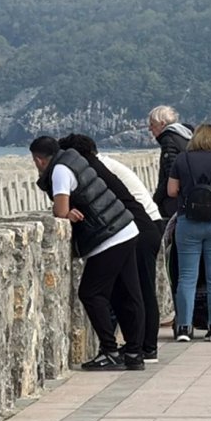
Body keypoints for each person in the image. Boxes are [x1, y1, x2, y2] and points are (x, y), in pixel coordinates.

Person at [30, 136, 145, 371]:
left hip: (109, 235)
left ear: (39, 160)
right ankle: (134, 352)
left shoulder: (60, 171)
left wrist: (65, 211)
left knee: (91, 293)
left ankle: (110, 350)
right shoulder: (73, 159)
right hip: (124, 226)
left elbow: (60, 210)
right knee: (126, 293)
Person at [58, 134, 163, 363]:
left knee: (139, 291)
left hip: (140, 227)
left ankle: (145, 348)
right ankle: (136, 348)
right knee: (125, 291)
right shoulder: (97, 166)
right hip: (139, 224)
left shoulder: (95, 170)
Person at [166, 124, 211, 343]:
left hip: (188, 222)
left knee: (187, 277)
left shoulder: (182, 159)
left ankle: (183, 328)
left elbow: (171, 191)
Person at [148, 105, 194, 220]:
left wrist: (156, 199)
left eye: (152, 124)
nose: (150, 129)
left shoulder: (168, 140)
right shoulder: (186, 137)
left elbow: (171, 173)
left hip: (174, 200)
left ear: (162, 124)